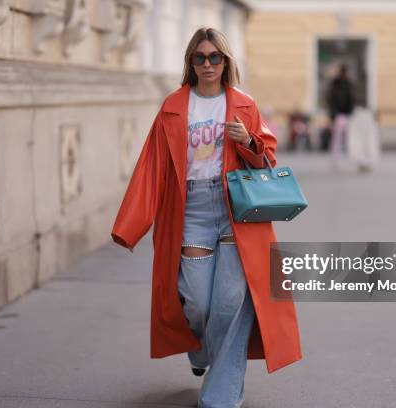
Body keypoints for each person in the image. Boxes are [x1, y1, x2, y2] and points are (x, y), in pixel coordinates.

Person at [110, 27, 302, 408]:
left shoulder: (243, 104)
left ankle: (220, 396)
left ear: (226, 62)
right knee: (197, 301)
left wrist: (246, 141)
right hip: (191, 210)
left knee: (231, 302)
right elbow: (151, 168)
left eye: (216, 57)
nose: (209, 64)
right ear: (191, 63)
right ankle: (199, 350)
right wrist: (131, 226)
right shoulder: (174, 106)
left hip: (235, 208)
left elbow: (266, 160)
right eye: (200, 57)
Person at [327, 64, 356, 169]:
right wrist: (333, 114)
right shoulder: (336, 84)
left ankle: (350, 158)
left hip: (347, 114)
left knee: (349, 138)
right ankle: (335, 158)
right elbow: (331, 100)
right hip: (339, 114)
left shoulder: (349, 84)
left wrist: (352, 111)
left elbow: (352, 99)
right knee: (337, 138)